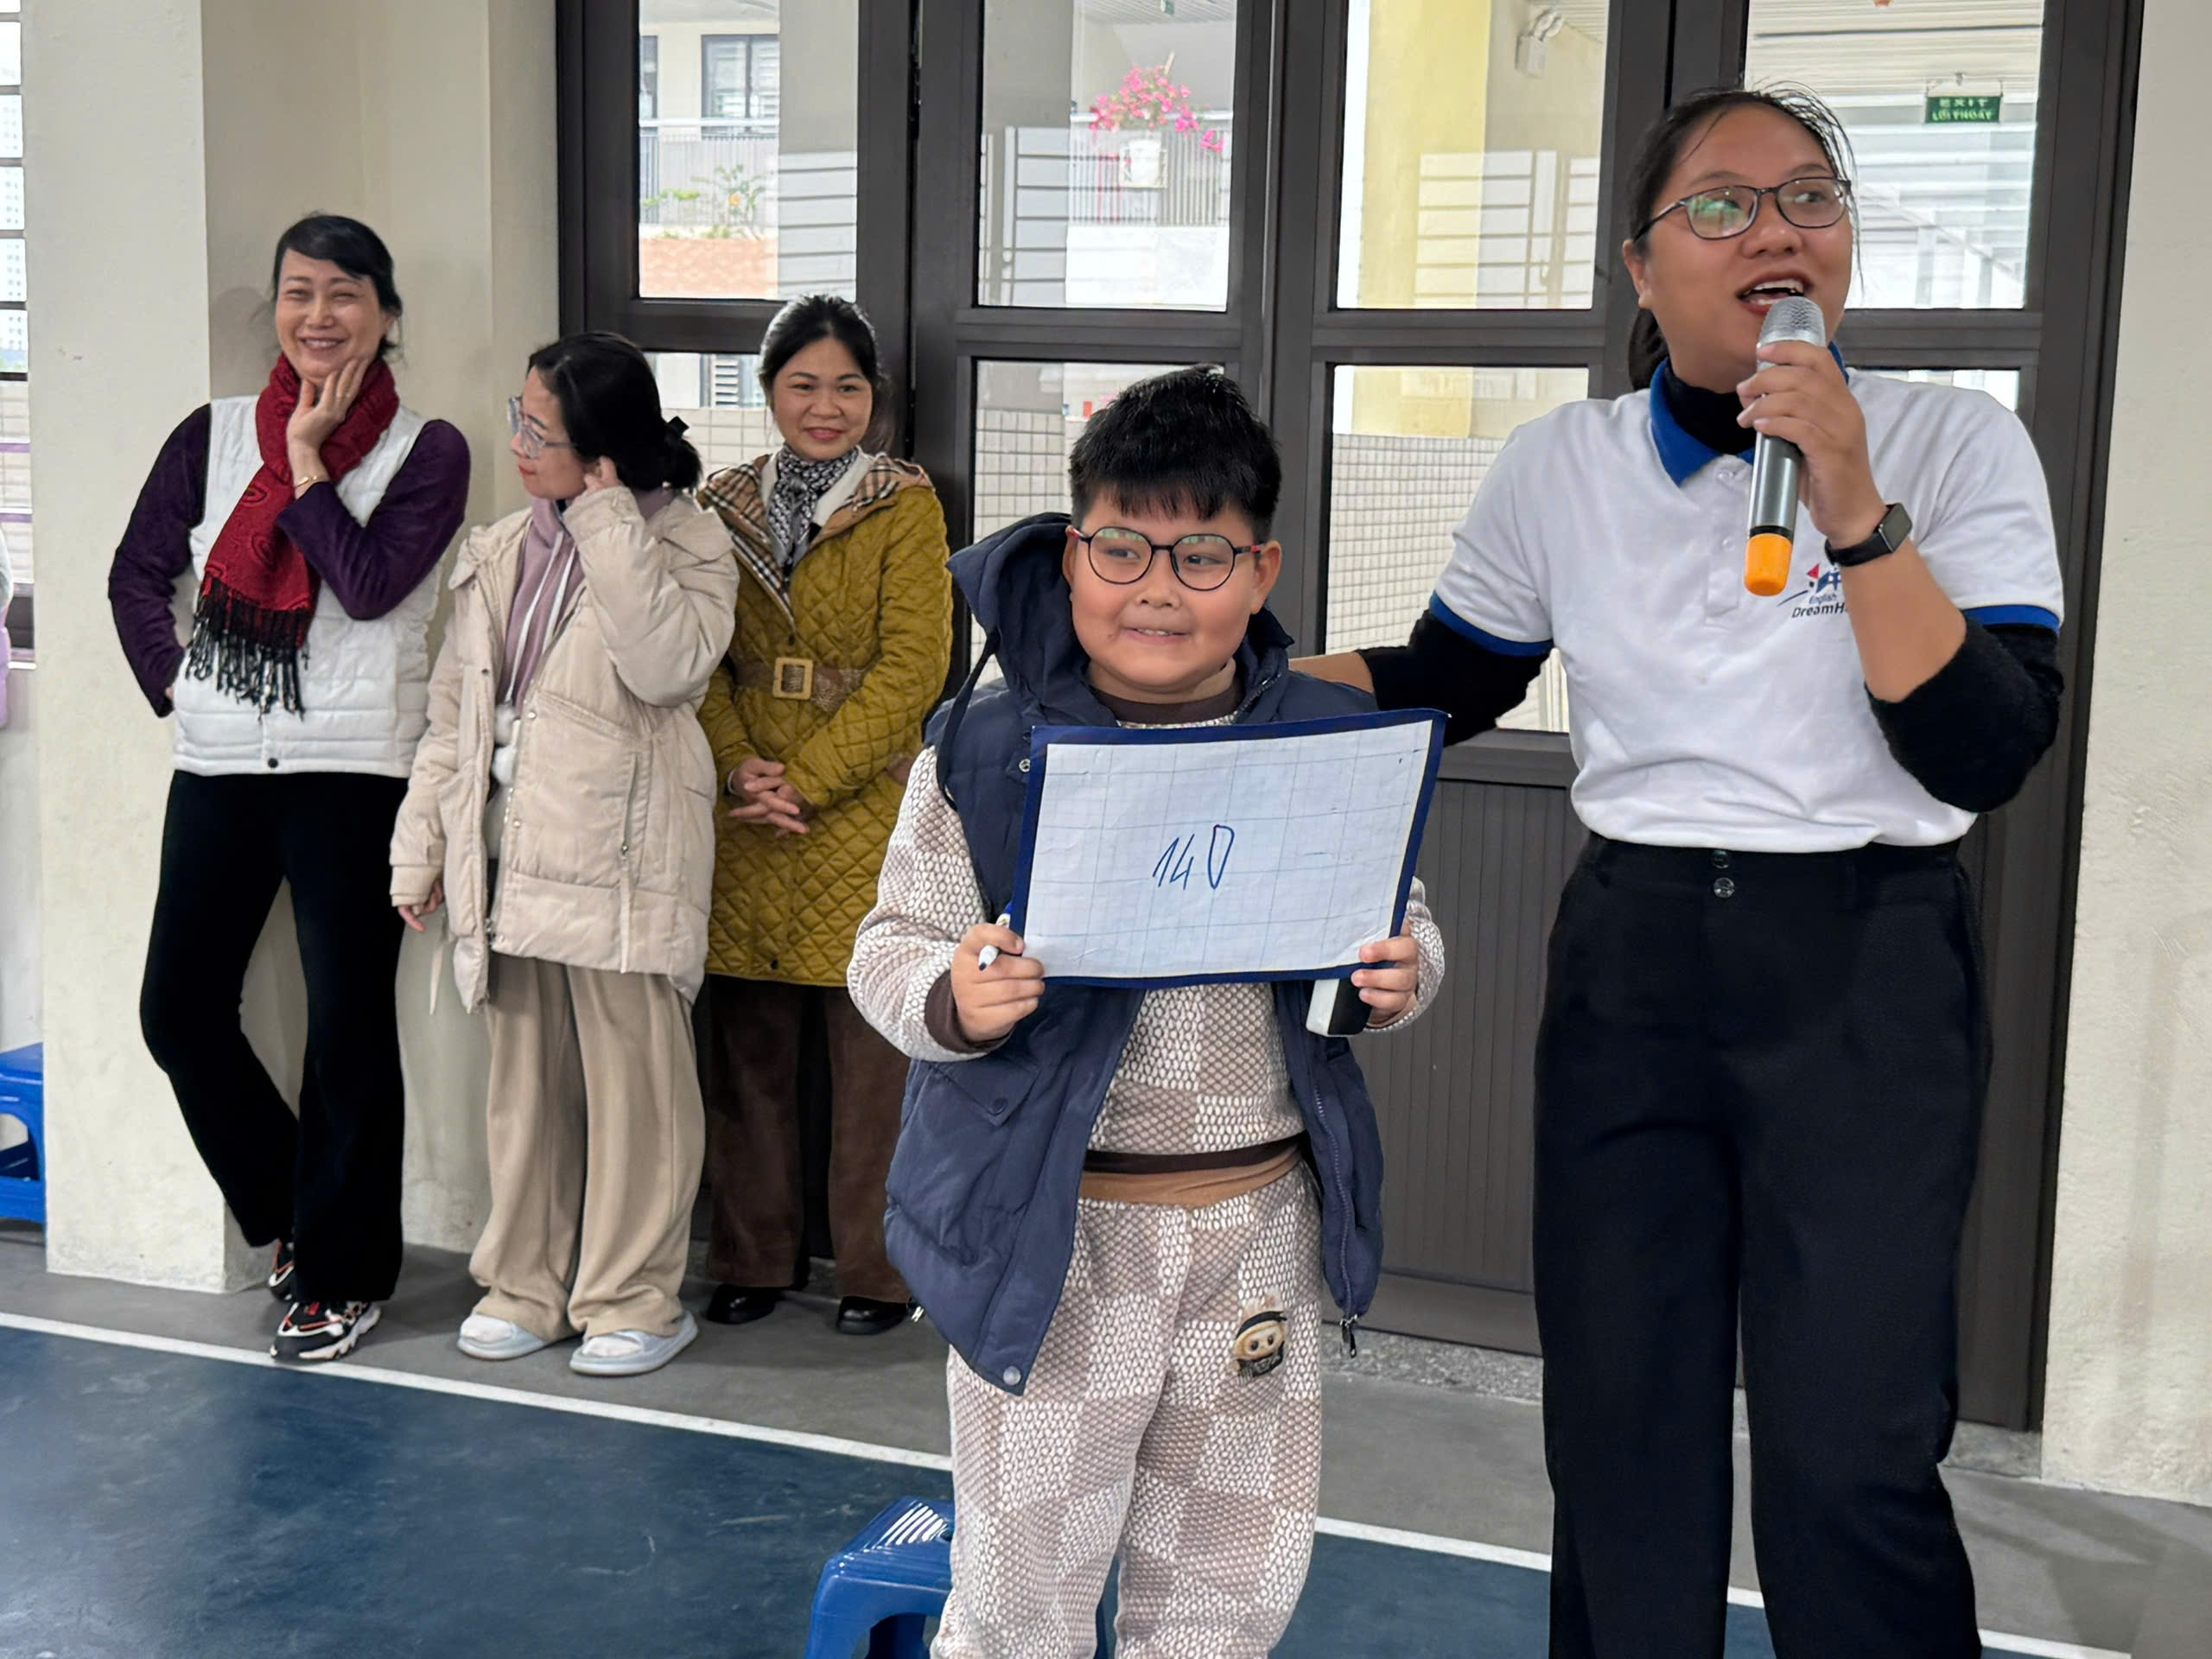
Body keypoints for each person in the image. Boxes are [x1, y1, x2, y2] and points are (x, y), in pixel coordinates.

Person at [1300, 88, 2065, 1657]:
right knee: (1621, 1430)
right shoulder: (1560, 466)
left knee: (1848, 1445)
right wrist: (1199, 685)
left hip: (1865, 970)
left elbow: (1982, 750)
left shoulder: (1956, 443)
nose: (1777, 231)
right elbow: (1453, 676)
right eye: (1722, 205)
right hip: (1635, 966)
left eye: (1810, 198)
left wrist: (1852, 499)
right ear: (1640, 268)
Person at [848, 368, 1446, 1656]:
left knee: (1227, 1588)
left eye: (1202, 554)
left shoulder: (1321, 744)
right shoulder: (980, 751)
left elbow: (1405, 918)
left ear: (1263, 568)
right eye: (1121, 546)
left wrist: (1404, 974)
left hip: (1257, 1229)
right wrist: (953, 997)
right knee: (1023, 1598)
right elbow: (886, 946)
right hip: (1055, 1243)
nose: (1158, 587)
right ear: (1073, 555)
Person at [109, 214, 470, 1364]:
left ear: (388, 314)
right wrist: (186, 694)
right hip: (220, 767)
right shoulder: (210, 437)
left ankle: (345, 1274)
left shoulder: (431, 451)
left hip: (355, 773)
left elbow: (365, 589)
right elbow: (135, 576)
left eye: (345, 296)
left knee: (348, 1031)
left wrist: (311, 464)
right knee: (177, 1010)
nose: (319, 317)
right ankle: (299, 1218)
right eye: (299, 293)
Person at [389, 333, 735, 1379]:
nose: (518, 442)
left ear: (600, 450)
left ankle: (634, 1298)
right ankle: (524, 1287)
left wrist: (606, 515)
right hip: (510, 856)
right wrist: (422, 853)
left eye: (538, 430)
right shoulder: (498, 547)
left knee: (640, 1096)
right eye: (520, 416)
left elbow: (667, 668)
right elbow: (453, 720)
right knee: (523, 1091)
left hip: (625, 859)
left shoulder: (689, 543)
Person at [694, 295, 951, 1338]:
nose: (826, 405)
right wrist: (737, 765)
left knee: (872, 1062)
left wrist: (804, 776)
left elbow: (913, 668)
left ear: (873, 398)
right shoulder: (718, 506)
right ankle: (750, 1257)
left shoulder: (905, 505)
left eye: (847, 385)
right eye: (803, 384)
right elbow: (696, 654)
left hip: (860, 803)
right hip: (746, 802)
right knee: (746, 1052)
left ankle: (877, 1276)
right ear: (768, 394)